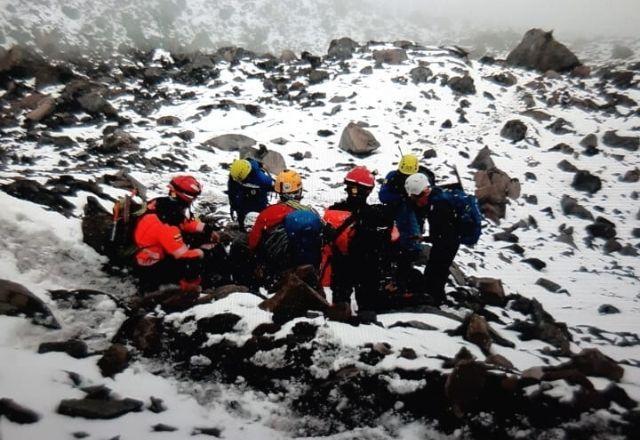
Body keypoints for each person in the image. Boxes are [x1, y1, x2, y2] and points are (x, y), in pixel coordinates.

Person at [322, 166, 396, 321]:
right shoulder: (378, 216)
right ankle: (368, 328)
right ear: (369, 190)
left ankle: (340, 323)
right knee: (367, 305)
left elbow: (326, 244)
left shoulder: (332, 213)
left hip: (341, 264)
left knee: (341, 301)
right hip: (369, 268)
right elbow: (392, 240)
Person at [133, 175, 227, 293]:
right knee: (195, 260)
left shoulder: (162, 204)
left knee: (201, 240)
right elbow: (184, 256)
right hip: (151, 267)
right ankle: (191, 288)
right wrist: (204, 252)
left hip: (154, 250)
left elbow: (184, 223)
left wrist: (207, 229)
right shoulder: (168, 222)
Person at [247, 169, 322, 285]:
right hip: (308, 269)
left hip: (276, 270)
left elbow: (253, 243)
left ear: (279, 192)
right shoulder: (311, 214)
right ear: (299, 190)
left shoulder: (267, 213)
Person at [404, 173, 461, 303]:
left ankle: (435, 301)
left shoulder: (438, 207)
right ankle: (437, 297)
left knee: (435, 272)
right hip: (448, 242)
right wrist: (425, 239)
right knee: (436, 271)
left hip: (447, 244)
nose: (415, 201)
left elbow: (443, 234)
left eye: (414, 197)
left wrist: (427, 239)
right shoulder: (436, 197)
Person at [227, 158, 274, 231]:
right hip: (243, 199)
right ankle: (243, 229)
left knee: (258, 222)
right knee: (242, 217)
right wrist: (233, 204)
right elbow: (232, 189)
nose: (237, 181)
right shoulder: (235, 174)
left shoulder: (261, 179)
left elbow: (273, 186)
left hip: (258, 200)